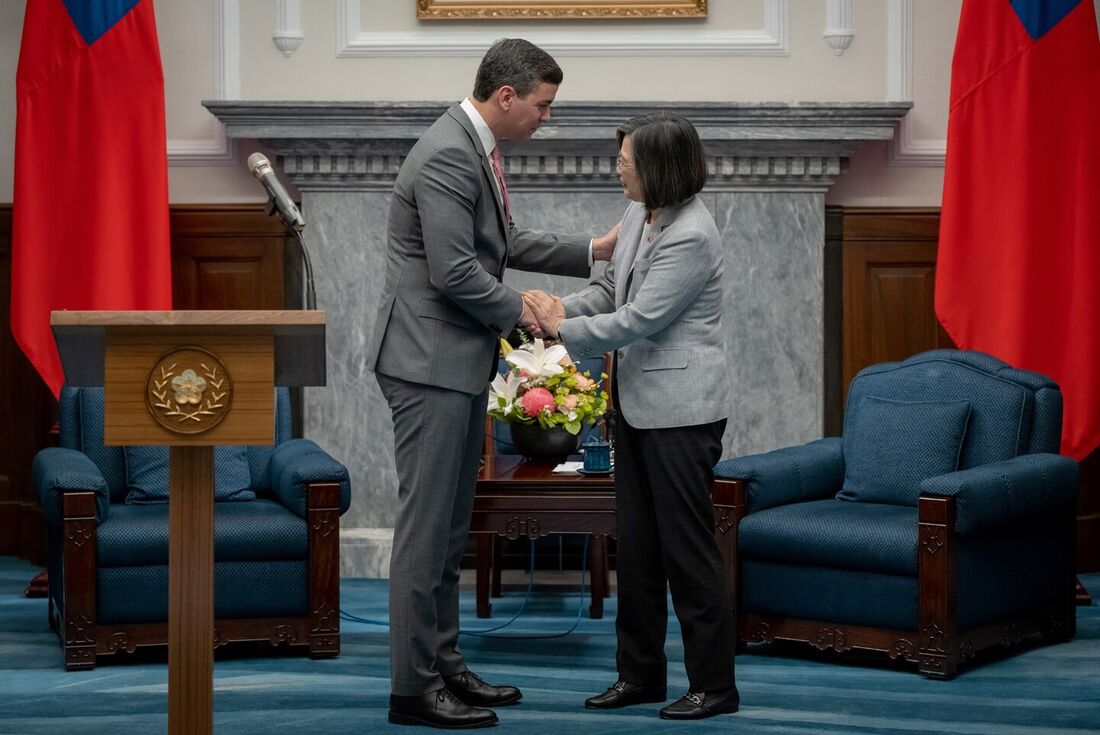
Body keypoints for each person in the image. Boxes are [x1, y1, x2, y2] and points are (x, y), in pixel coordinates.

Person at [367, 38, 619, 729]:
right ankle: (413, 689)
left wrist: (591, 250)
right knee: (426, 534)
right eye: (543, 106)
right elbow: (453, 272)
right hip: (426, 363)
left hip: (448, 359)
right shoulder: (450, 152)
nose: (546, 118)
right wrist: (527, 310)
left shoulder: (472, 145)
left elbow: (500, 243)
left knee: (449, 531)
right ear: (506, 96)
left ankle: (444, 665)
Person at [523, 112, 738, 721]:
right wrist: (557, 304)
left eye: (626, 160)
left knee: (686, 550)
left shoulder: (692, 233)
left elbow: (639, 319)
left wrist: (557, 327)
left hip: (682, 414)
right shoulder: (637, 216)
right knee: (638, 551)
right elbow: (609, 292)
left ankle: (715, 686)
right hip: (638, 408)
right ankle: (639, 676)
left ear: (659, 167)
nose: (617, 167)